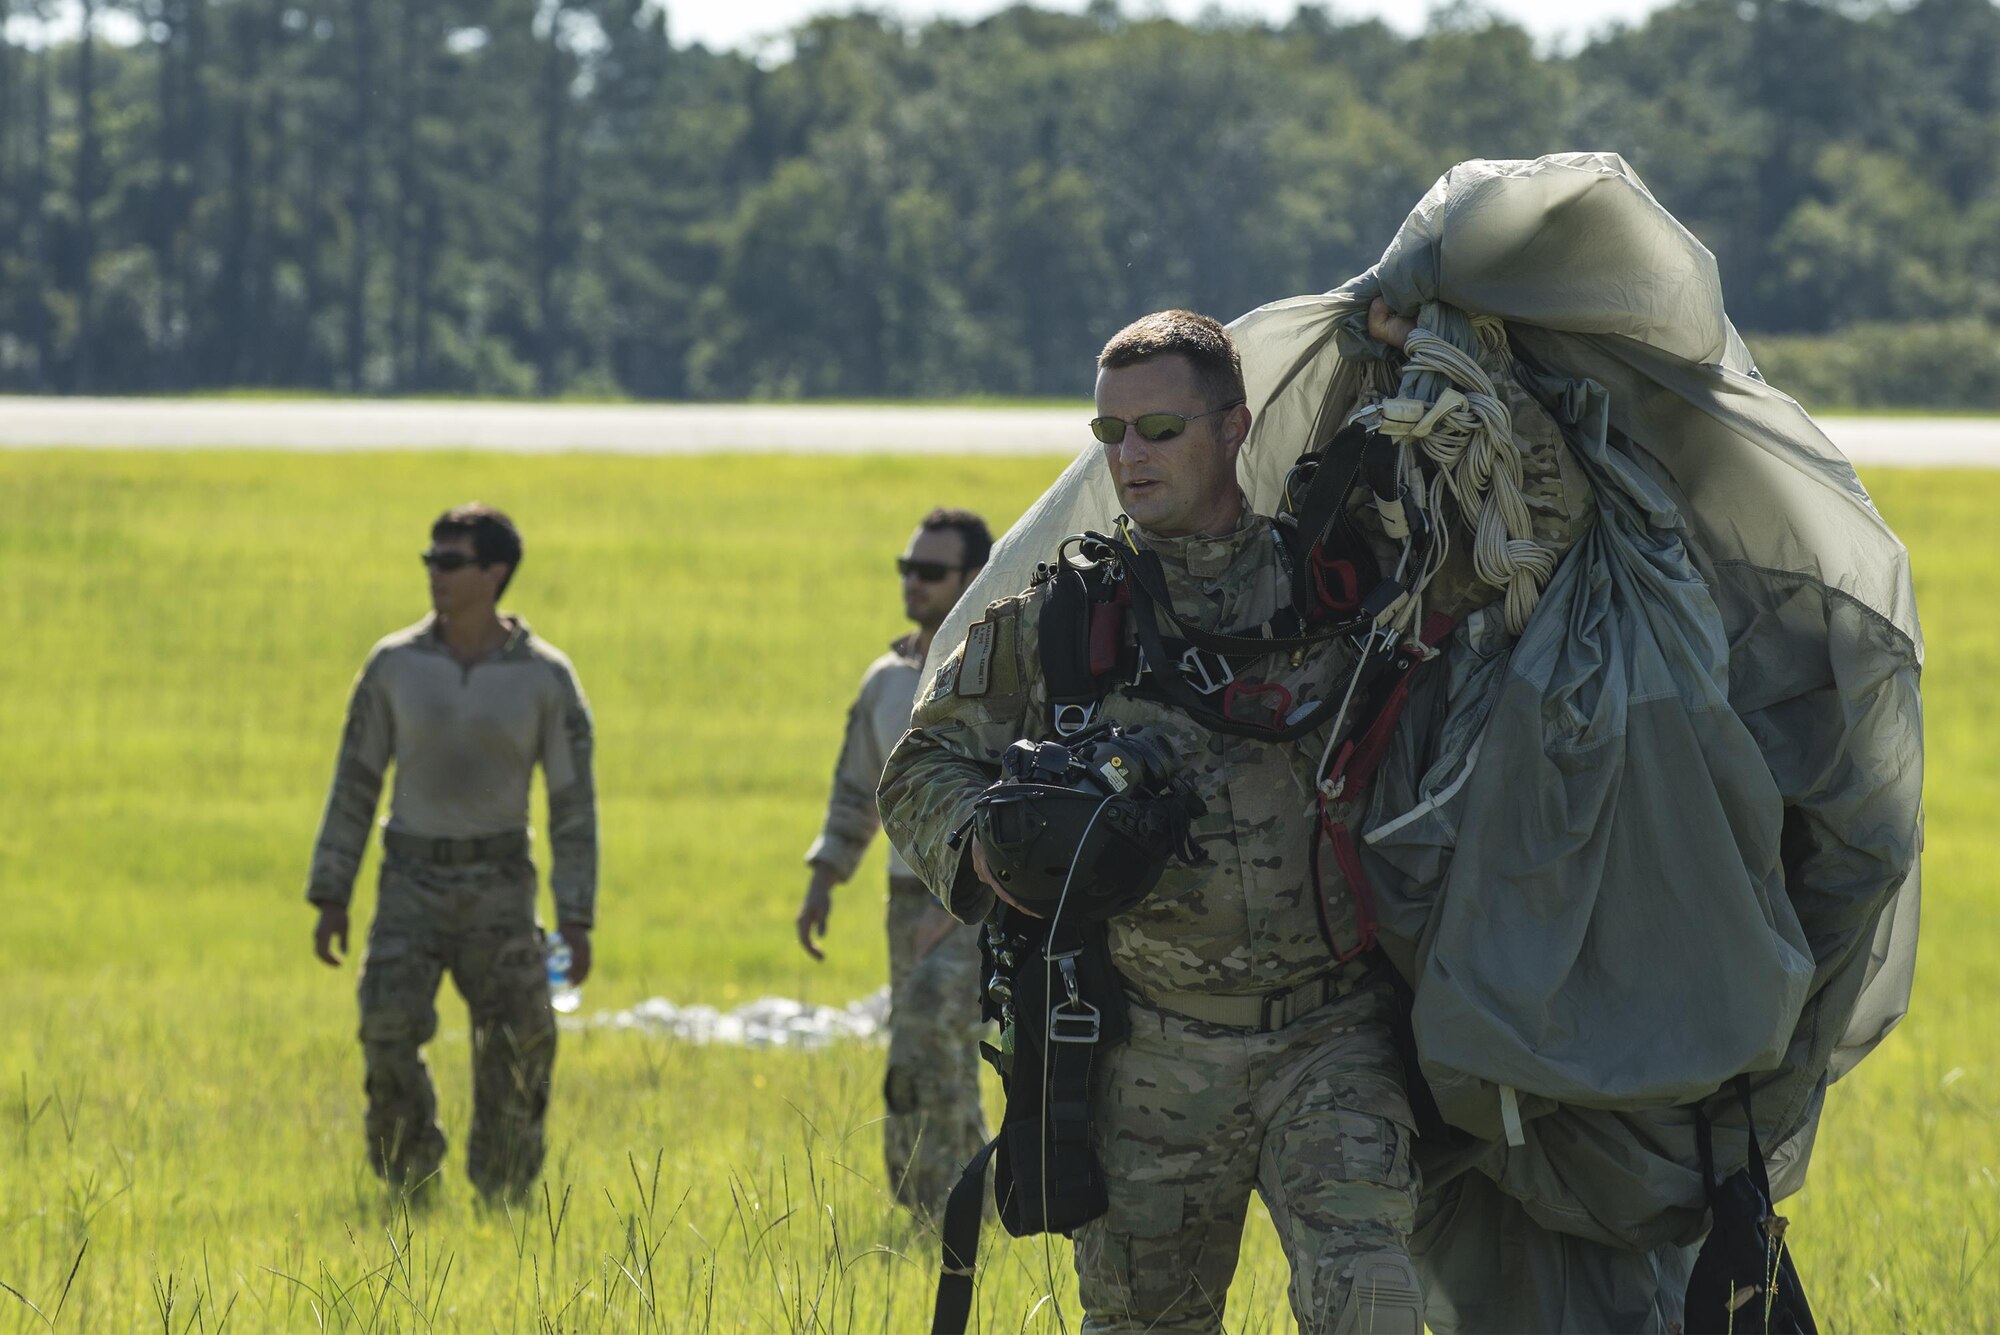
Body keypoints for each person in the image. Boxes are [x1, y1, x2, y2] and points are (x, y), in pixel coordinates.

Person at [879, 311, 1425, 1334]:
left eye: (1158, 430)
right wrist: (998, 855)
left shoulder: (1340, 588)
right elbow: (919, 769)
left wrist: (1393, 345)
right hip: (1142, 1056)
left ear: (1235, 428)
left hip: (1334, 1036)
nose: (1127, 456)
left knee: (1372, 1301)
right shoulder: (1060, 623)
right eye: (1108, 433)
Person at [305, 503, 596, 1202]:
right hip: (409, 880)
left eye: (451, 561)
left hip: (501, 885)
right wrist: (331, 891)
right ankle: (410, 1183)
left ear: (494, 573)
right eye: (431, 560)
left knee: (519, 1049)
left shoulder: (546, 678)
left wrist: (577, 916)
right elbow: (355, 780)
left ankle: (503, 1194)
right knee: (386, 1031)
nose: (435, 573)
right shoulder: (394, 665)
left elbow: (572, 808)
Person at [795, 508, 992, 1222]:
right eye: (907, 568)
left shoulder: (994, 671)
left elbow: (1011, 795)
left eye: (931, 571)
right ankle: (925, 1210)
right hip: (905, 897)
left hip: (975, 898)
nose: (914, 582)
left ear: (974, 577)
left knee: (940, 1035)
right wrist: (823, 881)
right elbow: (857, 791)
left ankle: (964, 1203)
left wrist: (956, 902)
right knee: (912, 1052)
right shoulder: (885, 680)